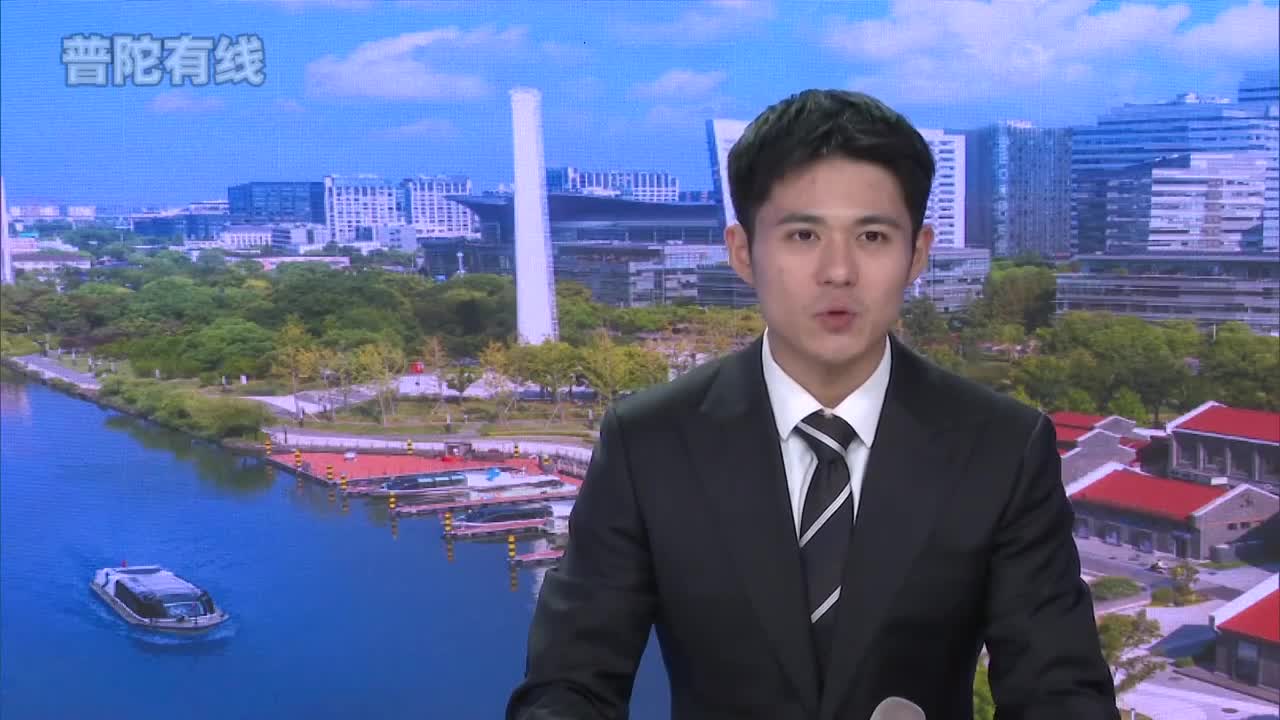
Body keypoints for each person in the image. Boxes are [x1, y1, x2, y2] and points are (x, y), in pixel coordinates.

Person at [507, 89, 1118, 720]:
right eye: (803, 234)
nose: (838, 271)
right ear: (743, 252)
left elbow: (1060, 692)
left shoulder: (1000, 447)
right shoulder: (650, 442)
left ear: (917, 254)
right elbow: (568, 685)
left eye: (872, 236)